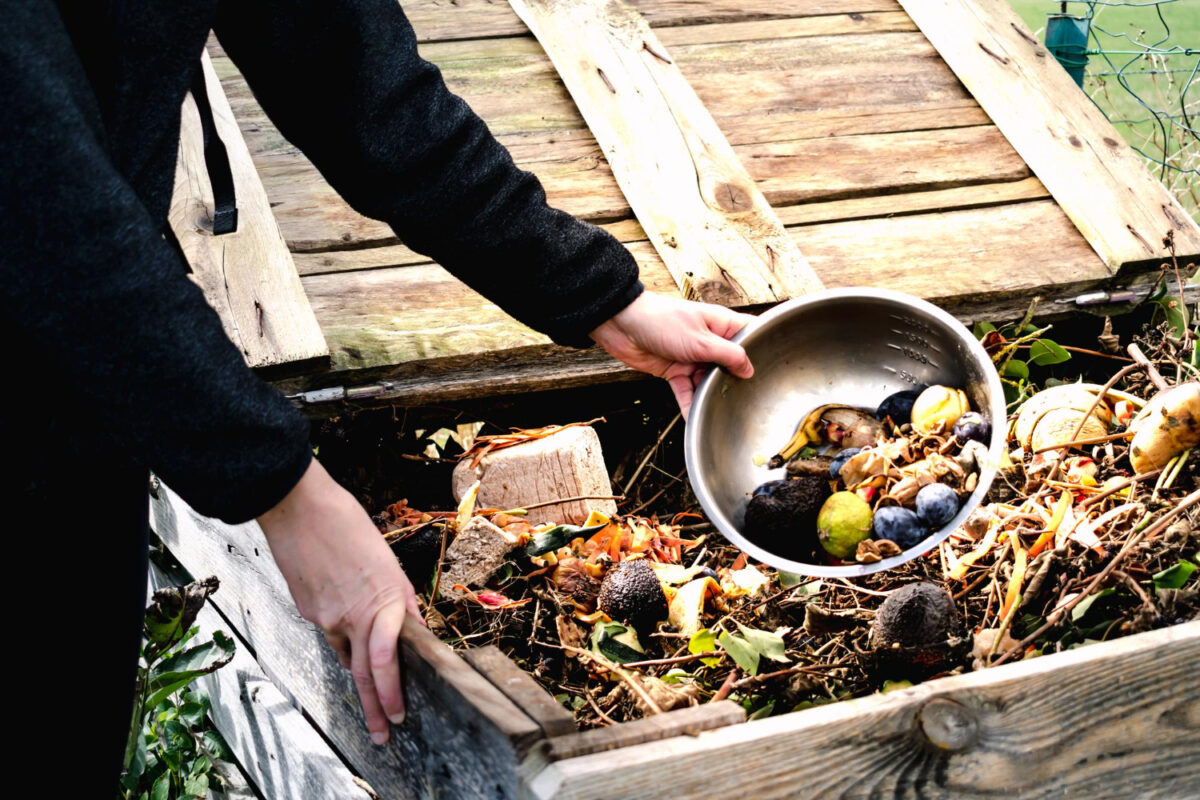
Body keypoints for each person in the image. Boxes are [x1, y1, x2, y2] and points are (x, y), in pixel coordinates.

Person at [0, 0, 754, 791]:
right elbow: (41, 202)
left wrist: (603, 297)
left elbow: (354, 77)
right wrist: (284, 490)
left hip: (77, 443)